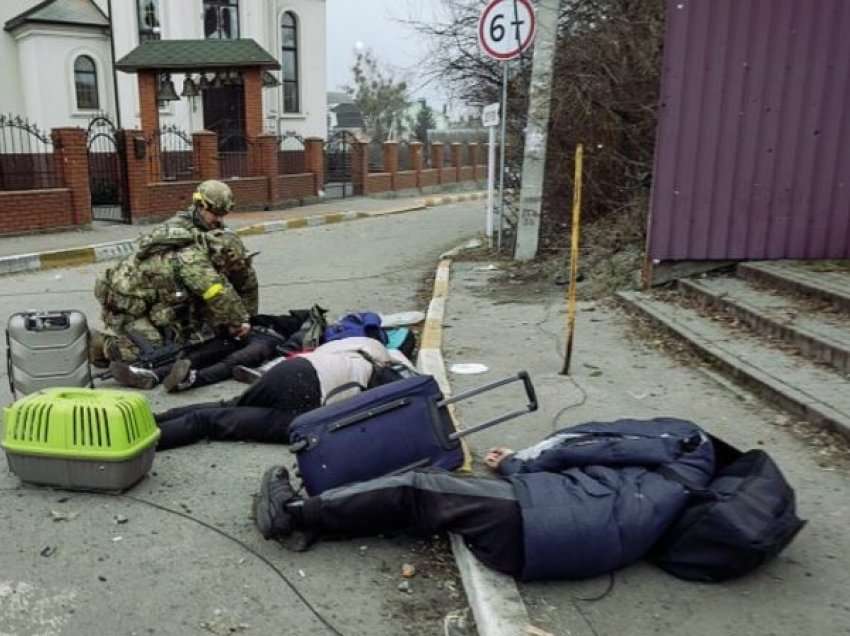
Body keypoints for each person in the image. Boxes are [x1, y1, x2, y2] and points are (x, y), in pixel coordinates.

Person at [253, 417, 716, 581]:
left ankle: (293, 514)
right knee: (432, 504)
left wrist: (517, 462)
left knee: (419, 486)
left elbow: (586, 445)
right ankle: (321, 524)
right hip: (561, 538)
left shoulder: (675, 439)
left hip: (542, 523)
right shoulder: (681, 476)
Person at [90, 180, 256, 367]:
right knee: (155, 355)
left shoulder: (210, 234)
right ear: (201, 205)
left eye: (223, 214)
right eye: (216, 214)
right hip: (126, 303)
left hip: (162, 296)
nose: (219, 219)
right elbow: (215, 291)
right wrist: (238, 322)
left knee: (184, 341)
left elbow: (244, 280)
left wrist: (249, 318)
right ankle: (101, 345)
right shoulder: (186, 248)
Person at [153, 337, 416, 450]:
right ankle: (146, 444)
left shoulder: (348, 348)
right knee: (214, 421)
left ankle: (154, 419)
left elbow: (305, 353)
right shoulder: (382, 371)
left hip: (291, 370)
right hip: (306, 401)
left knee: (230, 404)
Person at [107, 228, 268, 391]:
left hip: (152, 300)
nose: (235, 269)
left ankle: (152, 365)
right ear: (222, 254)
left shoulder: (204, 256)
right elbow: (216, 293)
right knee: (155, 351)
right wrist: (238, 322)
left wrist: (238, 320)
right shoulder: (194, 261)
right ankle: (106, 346)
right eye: (232, 264)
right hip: (124, 306)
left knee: (180, 341)